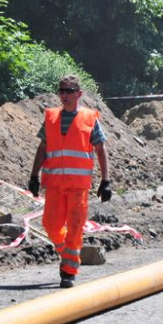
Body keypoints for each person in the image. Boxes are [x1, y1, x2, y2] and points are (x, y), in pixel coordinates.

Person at [29, 75, 112, 288]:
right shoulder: (51, 118)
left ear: (79, 94)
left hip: (78, 187)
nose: (64, 95)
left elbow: (101, 150)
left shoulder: (89, 119)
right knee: (50, 224)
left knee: (75, 228)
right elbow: (42, 148)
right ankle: (66, 253)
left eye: (69, 90)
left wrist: (106, 180)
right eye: (61, 90)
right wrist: (33, 175)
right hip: (55, 184)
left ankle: (68, 271)